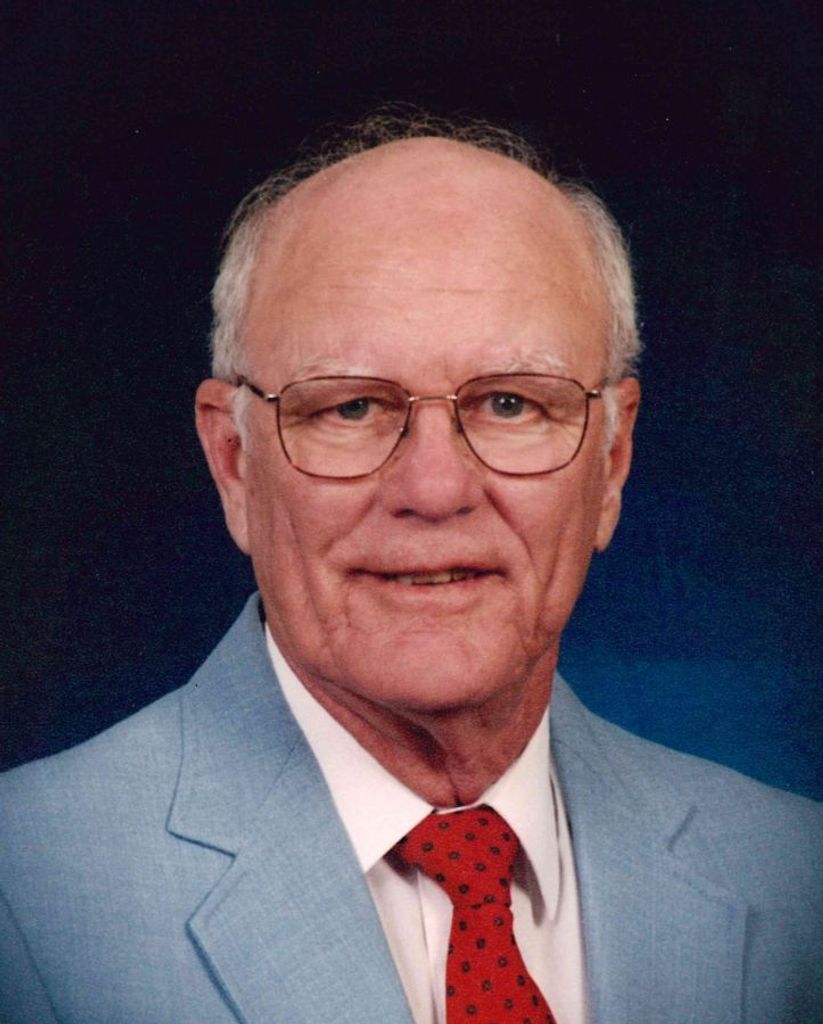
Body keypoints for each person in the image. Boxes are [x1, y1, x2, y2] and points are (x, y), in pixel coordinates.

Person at [1, 113, 820, 1024]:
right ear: (234, 464)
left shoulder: (795, 877)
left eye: (511, 403)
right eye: (350, 408)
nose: (434, 489)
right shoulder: (25, 887)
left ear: (612, 462)